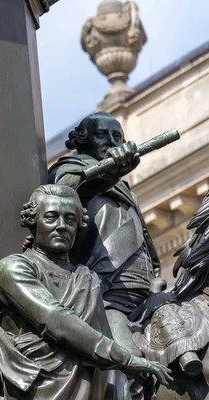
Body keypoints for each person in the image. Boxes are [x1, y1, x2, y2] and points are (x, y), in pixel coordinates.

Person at [0, 184, 171, 400]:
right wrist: (125, 359)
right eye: (50, 217)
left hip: (94, 386)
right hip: (41, 389)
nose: (61, 226)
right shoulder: (12, 268)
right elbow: (55, 320)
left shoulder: (87, 277)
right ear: (32, 222)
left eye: (70, 220)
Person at [48, 112, 161, 362]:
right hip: (107, 296)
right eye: (102, 135)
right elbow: (67, 191)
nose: (111, 142)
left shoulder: (122, 186)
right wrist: (109, 173)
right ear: (82, 141)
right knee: (127, 361)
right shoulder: (68, 171)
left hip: (147, 293)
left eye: (116, 136)